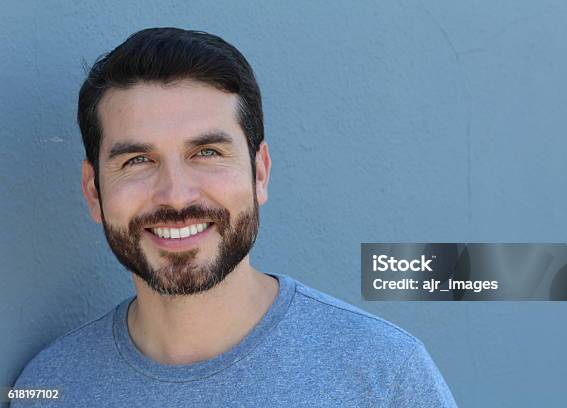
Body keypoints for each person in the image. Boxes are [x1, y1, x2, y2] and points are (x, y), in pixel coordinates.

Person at [11, 27, 457, 407]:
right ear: (94, 192)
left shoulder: (382, 376)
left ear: (259, 173)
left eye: (206, 152)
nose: (176, 195)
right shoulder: (50, 387)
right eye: (138, 161)